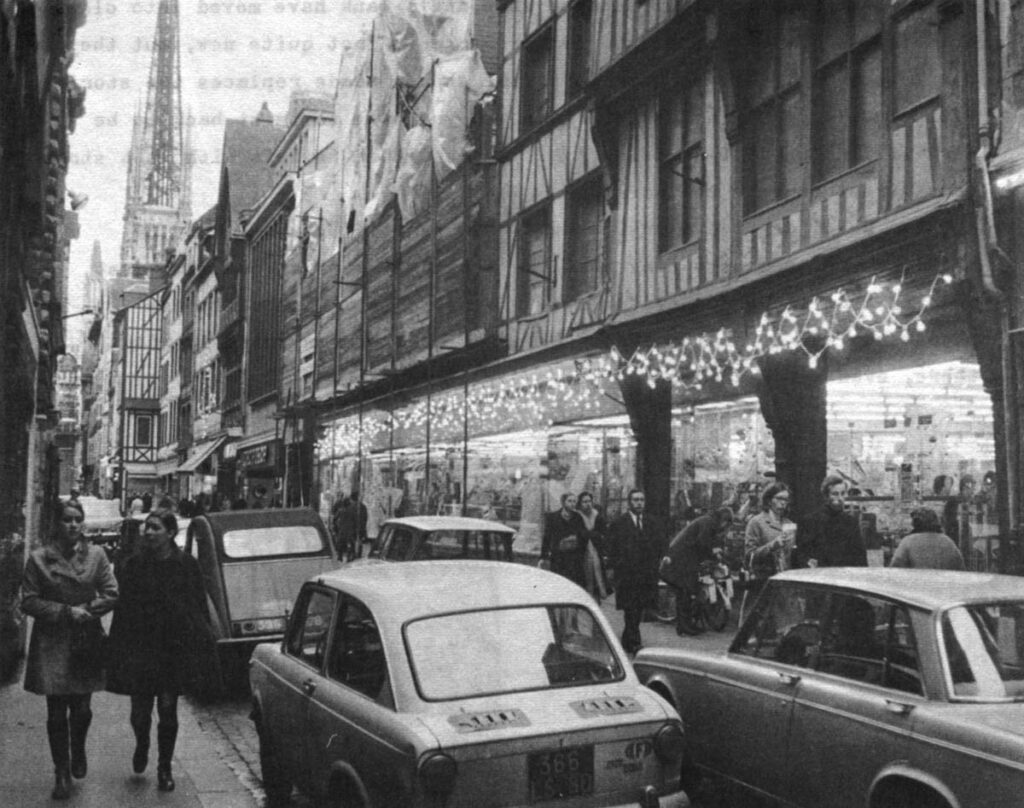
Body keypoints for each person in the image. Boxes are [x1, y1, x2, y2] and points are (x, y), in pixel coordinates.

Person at [106, 508, 217, 792]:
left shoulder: (186, 565)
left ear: (170, 533)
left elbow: (197, 604)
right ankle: (142, 743)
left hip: (173, 646)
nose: (149, 532)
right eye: (147, 528)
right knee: (140, 712)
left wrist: (203, 637)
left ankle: (164, 766)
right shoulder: (133, 565)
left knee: (168, 708)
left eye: (155, 527)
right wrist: (117, 646)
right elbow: (123, 609)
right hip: (141, 646)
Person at [21, 498, 118, 800]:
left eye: (78, 519)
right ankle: (61, 771)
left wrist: (86, 610)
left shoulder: (97, 555)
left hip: (84, 639)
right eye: (67, 519)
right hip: (51, 640)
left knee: (82, 708)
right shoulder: (39, 559)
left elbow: (112, 592)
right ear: (56, 524)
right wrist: (64, 612)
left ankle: (78, 748)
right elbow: (28, 600)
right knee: (55, 711)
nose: (74, 525)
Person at [607, 489, 662, 655]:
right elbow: (612, 547)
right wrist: (614, 567)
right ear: (630, 502)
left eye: (642, 500)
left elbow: (657, 544)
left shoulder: (651, 522)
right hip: (627, 574)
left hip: (645, 574)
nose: (639, 503)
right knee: (631, 608)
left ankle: (627, 639)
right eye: (636, 500)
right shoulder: (620, 523)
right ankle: (634, 642)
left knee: (638, 608)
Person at [663, 507, 733, 636]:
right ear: (724, 521)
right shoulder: (708, 523)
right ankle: (684, 626)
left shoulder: (708, 521)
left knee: (687, 589)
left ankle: (686, 624)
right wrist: (713, 553)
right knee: (685, 590)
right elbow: (703, 542)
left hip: (684, 556)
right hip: (682, 557)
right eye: (726, 524)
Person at [794, 474, 867, 568]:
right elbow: (802, 554)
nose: (840, 498)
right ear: (826, 496)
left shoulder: (851, 522)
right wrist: (808, 562)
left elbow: (860, 557)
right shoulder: (810, 521)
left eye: (843, 493)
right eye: (835, 494)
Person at [745, 482, 796, 584]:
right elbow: (749, 555)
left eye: (786, 499)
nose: (783, 503)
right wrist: (772, 546)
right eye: (779, 498)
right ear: (769, 500)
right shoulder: (756, 522)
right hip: (764, 581)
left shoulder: (789, 523)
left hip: (786, 579)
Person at [890, 507, 965, 570]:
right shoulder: (948, 542)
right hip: (943, 585)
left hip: (916, 584)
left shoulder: (908, 541)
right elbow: (960, 568)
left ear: (915, 523)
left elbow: (896, 567)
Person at [541, 492, 586, 587]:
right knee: (558, 583)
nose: (572, 503)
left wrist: (576, 538)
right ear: (563, 502)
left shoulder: (578, 517)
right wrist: (543, 556)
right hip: (558, 557)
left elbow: (583, 535)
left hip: (573, 558)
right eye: (569, 501)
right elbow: (547, 537)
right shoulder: (552, 517)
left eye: (574, 501)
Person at [576, 491, 610, 600]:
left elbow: (604, 533)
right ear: (580, 504)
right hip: (582, 551)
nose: (588, 504)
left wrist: (594, 536)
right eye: (584, 502)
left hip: (596, 550)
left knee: (598, 570)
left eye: (589, 501)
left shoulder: (598, 516)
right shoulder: (577, 517)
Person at [333, 489, 369, 560]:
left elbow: (335, 519)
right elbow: (363, 518)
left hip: (344, 530)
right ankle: (354, 555)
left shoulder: (343, 510)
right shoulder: (360, 507)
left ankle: (342, 556)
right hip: (354, 530)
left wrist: (336, 527)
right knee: (353, 543)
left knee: (343, 544)